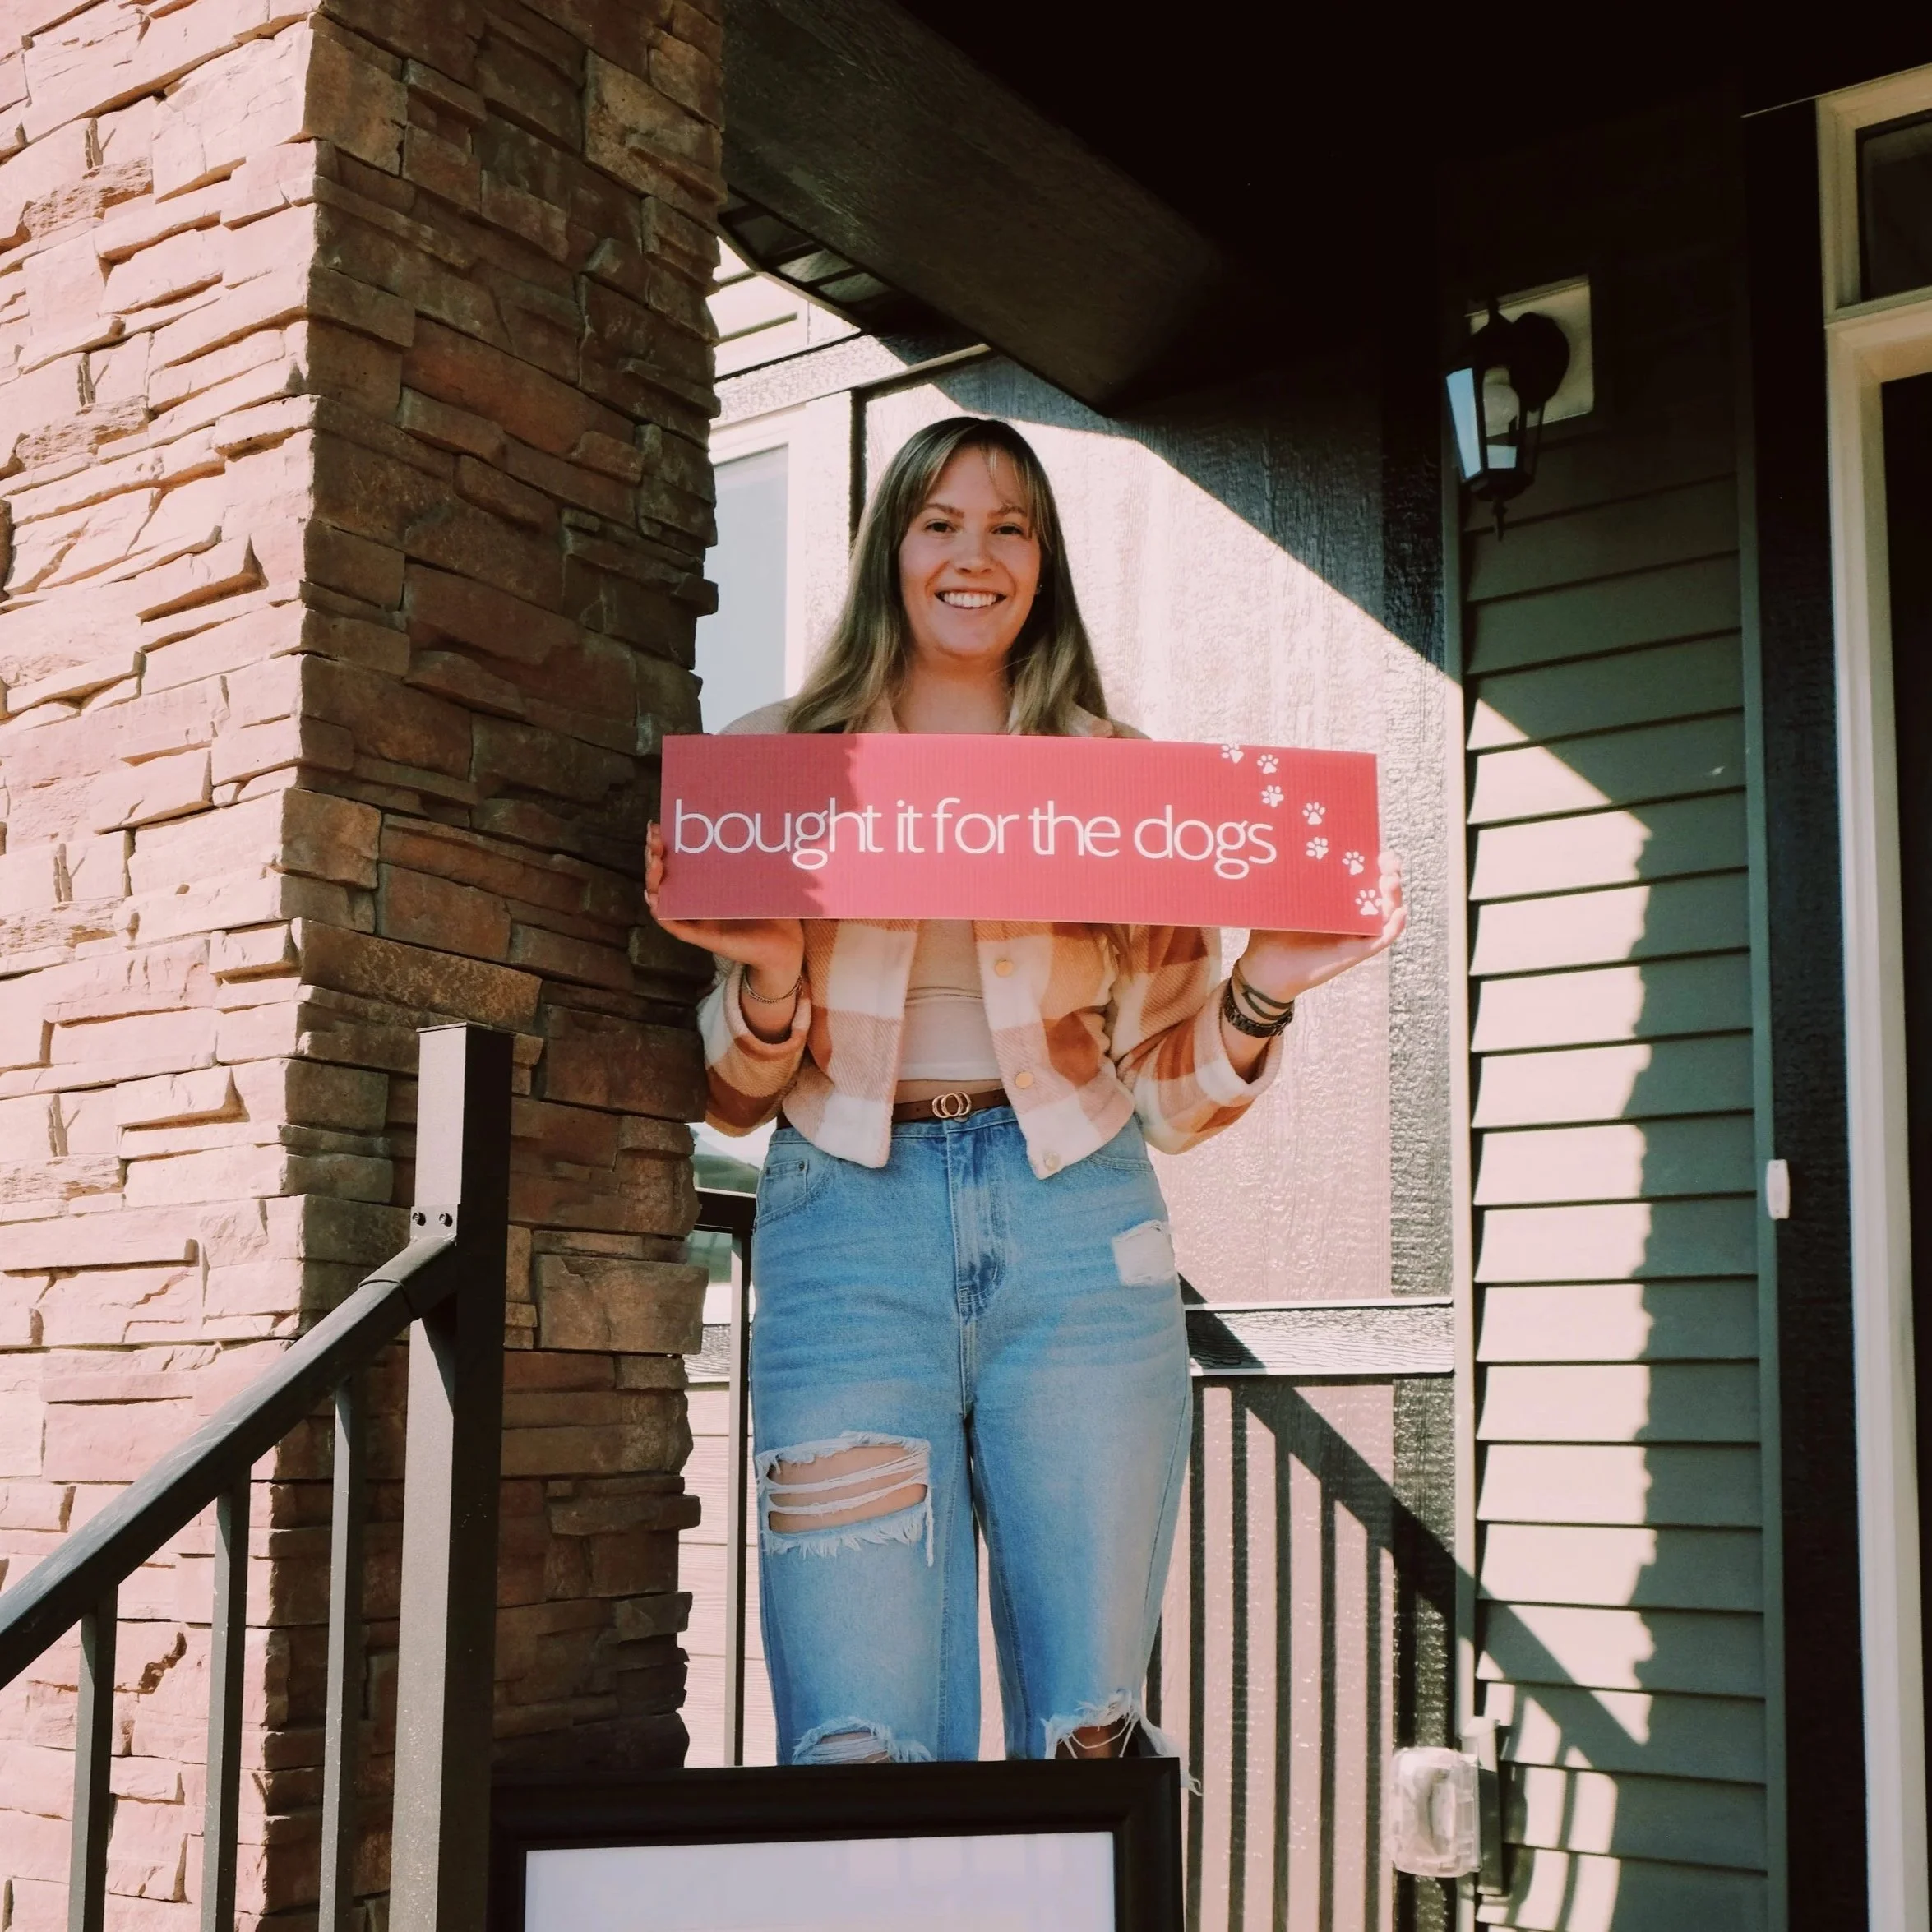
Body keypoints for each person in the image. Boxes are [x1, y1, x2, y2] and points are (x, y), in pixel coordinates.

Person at [645, 416, 1404, 1767]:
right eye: (940, 521)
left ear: (1042, 562)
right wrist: (766, 979)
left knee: (1087, 1725)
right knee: (855, 1742)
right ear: (892, 550)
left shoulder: (1125, 783)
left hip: (1081, 1235)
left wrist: (1267, 982)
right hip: (844, 1236)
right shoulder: (774, 769)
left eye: (1008, 526)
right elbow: (729, 1097)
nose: (973, 554)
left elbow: (1171, 1094)